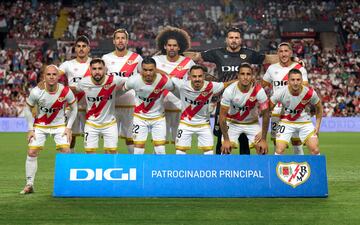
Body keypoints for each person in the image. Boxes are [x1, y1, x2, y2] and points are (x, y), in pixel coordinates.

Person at [185, 27, 278, 155]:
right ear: (226, 39)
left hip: (245, 104)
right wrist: (176, 54)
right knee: (221, 139)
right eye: (231, 37)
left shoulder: (249, 54)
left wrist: (291, 59)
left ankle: (244, 170)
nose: (234, 40)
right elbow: (196, 56)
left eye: (236, 38)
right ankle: (220, 167)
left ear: (240, 40)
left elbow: (267, 58)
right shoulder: (217, 53)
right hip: (224, 102)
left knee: (244, 140)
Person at [21, 65, 77, 194]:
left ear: (58, 76)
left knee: (66, 151)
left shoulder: (66, 91)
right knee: (32, 152)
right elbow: (27, 108)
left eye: (54, 74)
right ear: (44, 77)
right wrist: (30, 129)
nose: (51, 77)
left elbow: (74, 108)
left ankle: (66, 184)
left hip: (59, 126)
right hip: (40, 126)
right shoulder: (36, 91)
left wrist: (68, 127)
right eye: (48, 74)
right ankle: (29, 184)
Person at [171, 65, 235, 154]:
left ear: (204, 76)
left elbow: (226, 84)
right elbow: (168, 78)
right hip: (185, 124)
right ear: (189, 76)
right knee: (179, 152)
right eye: (194, 76)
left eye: (200, 76)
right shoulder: (182, 85)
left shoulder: (211, 86)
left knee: (209, 153)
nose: (197, 79)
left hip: (204, 124)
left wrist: (241, 80)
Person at [262, 42, 309, 155]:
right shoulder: (272, 69)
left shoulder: (299, 68)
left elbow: (305, 89)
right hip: (277, 111)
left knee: (297, 144)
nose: (283, 54)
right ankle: (277, 169)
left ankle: (299, 169)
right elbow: (262, 86)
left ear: (291, 53)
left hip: (294, 110)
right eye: (281, 51)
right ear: (278, 53)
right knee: (277, 143)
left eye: (286, 51)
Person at [152, 26, 195, 146]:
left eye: (175, 45)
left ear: (179, 47)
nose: (172, 48)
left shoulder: (188, 63)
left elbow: (193, 85)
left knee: (180, 144)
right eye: (169, 45)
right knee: (159, 144)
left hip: (180, 109)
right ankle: (158, 165)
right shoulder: (155, 60)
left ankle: (179, 165)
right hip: (160, 109)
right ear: (164, 46)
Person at [102, 28, 143, 154]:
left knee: (131, 139)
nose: (120, 40)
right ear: (114, 41)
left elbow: (143, 79)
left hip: (131, 105)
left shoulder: (137, 58)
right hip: (111, 105)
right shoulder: (106, 58)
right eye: (118, 38)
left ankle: (134, 166)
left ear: (127, 41)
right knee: (110, 139)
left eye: (123, 38)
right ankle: (111, 167)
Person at [74, 58, 127, 153]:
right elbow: (75, 90)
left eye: (100, 68)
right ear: (90, 69)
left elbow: (130, 82)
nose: (97, 71)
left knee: (111, 153)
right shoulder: (83, 83)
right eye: (94, 69)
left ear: (105, 69)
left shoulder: (114, 80)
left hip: (110, 124)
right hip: (91, 124)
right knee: (90, 154)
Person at [123, 57, 174, 154]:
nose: (148, 73)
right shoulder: (133, 80)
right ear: (141, 69)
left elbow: (176, 91)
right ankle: (139, 168)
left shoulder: (164, 81)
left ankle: (156, 169)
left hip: (159, 118)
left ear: (156, 69)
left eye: (151, 70)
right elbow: (122, 90)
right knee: (138, 150)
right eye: (145, 70)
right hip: (140, 117)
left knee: (160, 151)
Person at [219, 63, 269, 155]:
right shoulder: (229, 91)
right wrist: (226, 140)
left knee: (262, 149)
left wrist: (263, 138)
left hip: (252, 123)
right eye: (242, 74)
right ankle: (226, 169)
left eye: (248, 74)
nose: (245, 77)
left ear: (252, 76)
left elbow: (266, 114)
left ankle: (258, 169)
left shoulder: (259, 91)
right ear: (238, 76)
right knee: (225, 150)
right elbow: (222, 116)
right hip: (232, 123)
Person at [269, 68, 322, 155]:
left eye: (298, 79)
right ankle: (277, 168)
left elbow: (319, 108)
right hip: (286, 122)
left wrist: (317, 126)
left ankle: (316, 169)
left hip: (305, 122)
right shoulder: (280, 92)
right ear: (288, 81)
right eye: (293, 80)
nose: (295, 82)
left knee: (315, 150)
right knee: (279, 150)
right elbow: (268, 108)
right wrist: (274, 119)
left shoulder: (310, 93)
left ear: (302, 80)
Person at [59, 35, 91, 153]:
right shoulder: (68, 64)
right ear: (75, 49)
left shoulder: (94, 64)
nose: (81, 49)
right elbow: (55, 75)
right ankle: (70, 162)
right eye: (78, 46)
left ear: (88, 48)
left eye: (84, 46)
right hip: (72, 106)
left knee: (90, 138)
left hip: (90, 107)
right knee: (69, 137)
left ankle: (90, 163)